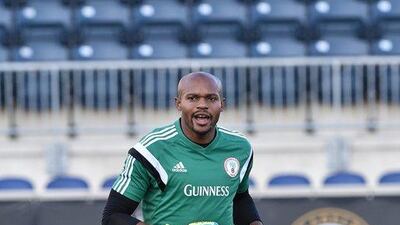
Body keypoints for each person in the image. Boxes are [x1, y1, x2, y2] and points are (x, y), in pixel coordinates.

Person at [102, 72, 263, 225]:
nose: (202, 105)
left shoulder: (240, 147)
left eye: (211, 98)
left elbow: (239, 198)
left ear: (222, 104)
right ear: (178, 103)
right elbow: (113, 217)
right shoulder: (151, 149)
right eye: (192, 98)